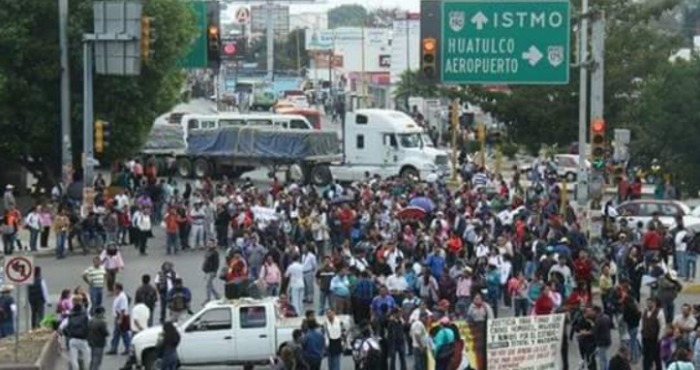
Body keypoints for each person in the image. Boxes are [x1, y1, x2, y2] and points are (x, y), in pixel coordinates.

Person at [60, 297, 91, 370]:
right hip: (83, 340)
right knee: (87, 358)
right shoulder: (85, 315)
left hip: (73, 339)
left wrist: (65, 334)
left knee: (73, 359)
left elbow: (61, 327)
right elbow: (91, 323)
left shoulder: (70, 315)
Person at [640, 297, 665, 370]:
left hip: (655, 338)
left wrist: (659, 337)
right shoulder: (644, 311)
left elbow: (662, 325)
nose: (648, 305)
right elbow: (641, 322)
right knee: (645, 356)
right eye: (647, 303)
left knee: (656, 356)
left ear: (654, 304)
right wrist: (641, 332)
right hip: (645, 337)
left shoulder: (659, 312)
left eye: (650, 303)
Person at [107, 283, 130, 355]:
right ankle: (113, 348)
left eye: (115, 288)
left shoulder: (122, 297)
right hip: (118, 316)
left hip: (121, 317)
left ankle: (128, 348)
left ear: (118, 289)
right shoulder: (118, 296)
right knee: (116, 333)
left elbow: (123, 309)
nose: (114, 290)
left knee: (124, 333)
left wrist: (120, 319)